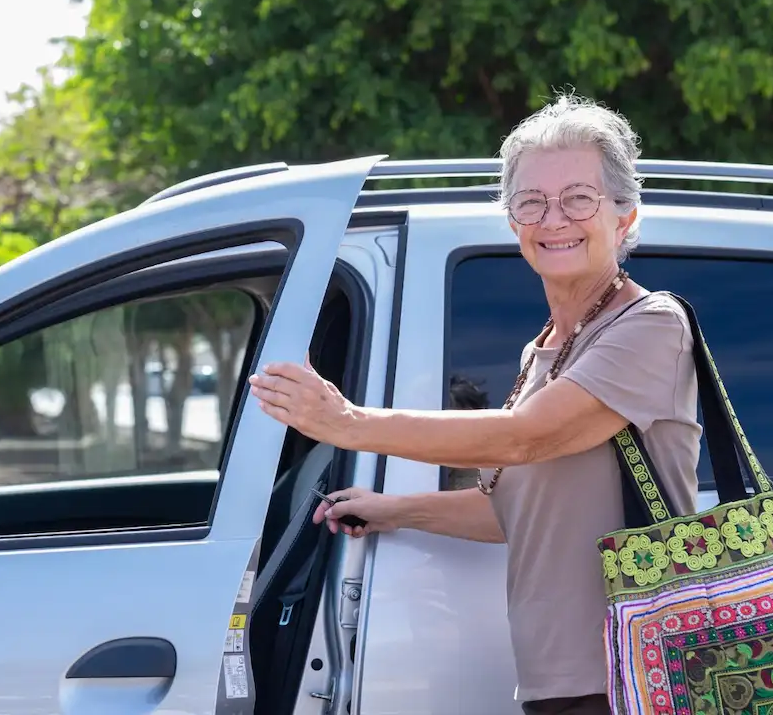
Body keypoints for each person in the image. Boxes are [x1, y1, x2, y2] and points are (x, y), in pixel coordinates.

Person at [248, 94, 701, 715]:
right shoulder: (542, 351)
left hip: (635, 677)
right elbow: (519, 513)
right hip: (559, 682)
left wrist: (349, 424)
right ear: (513, 224)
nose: (553, 219)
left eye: (578, 198)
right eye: (532, 202)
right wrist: (397, 510)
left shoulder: (650, 325)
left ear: (624, 216)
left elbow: (524, 439)